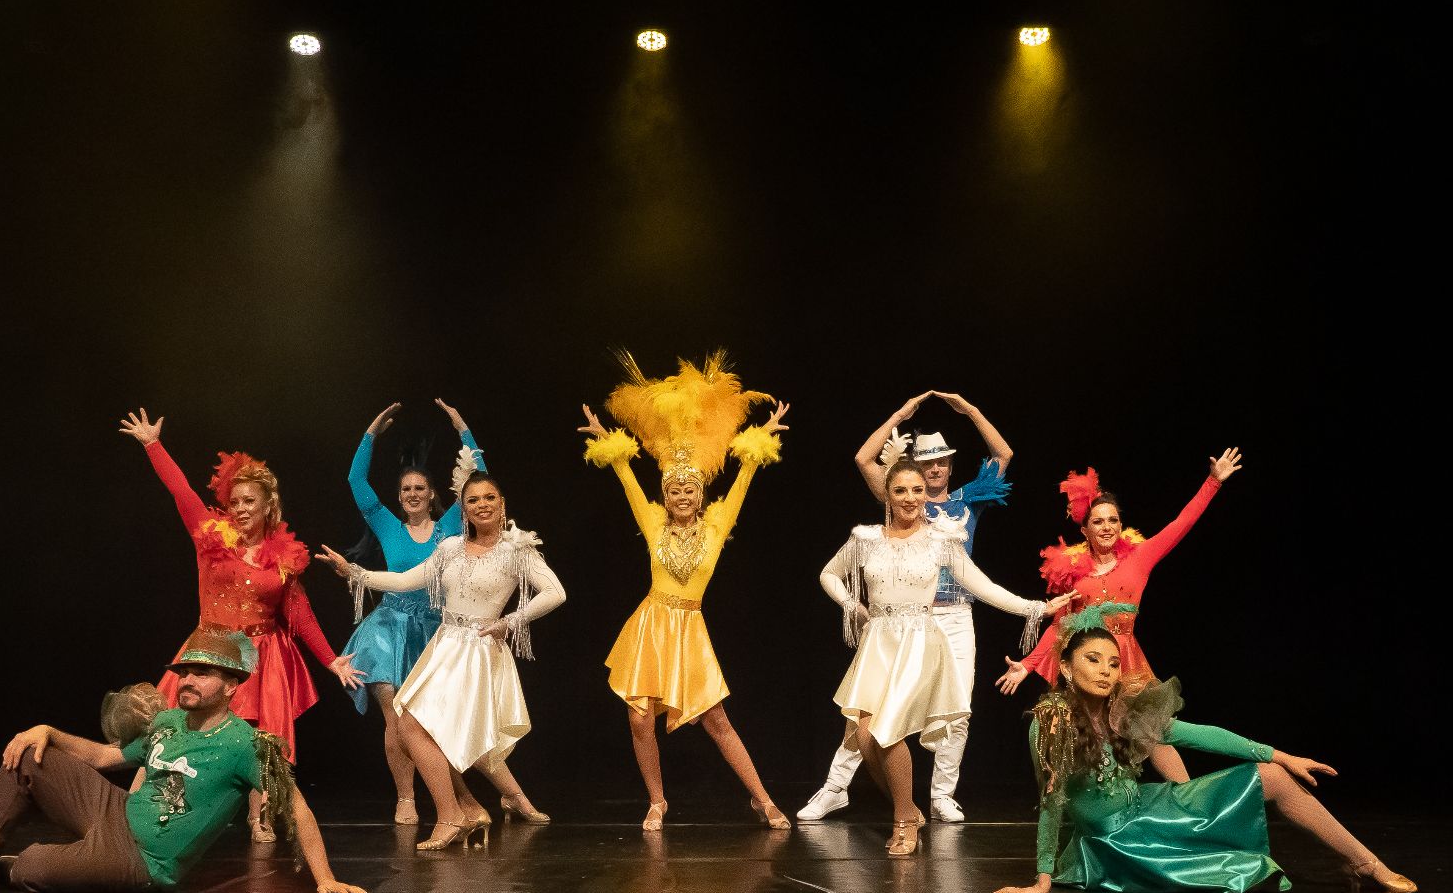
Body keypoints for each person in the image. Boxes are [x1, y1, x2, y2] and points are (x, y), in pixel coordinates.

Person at [0, 630, 368, 893]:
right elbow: (105, 757)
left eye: (201, 673)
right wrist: (48, 731)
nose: (186, 680)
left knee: (32, 869)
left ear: (231, 686)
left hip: (145, 859)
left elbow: (298, 809)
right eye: (184, 672)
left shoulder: (248, 745)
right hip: (116, 811)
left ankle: (12, 868)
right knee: (29, 756)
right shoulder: (167, 721)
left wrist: (324, 878)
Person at [992, 626, 1415, 893]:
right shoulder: (1051, 721)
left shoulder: (1123, 710)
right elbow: (1052, 800)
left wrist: (1280, 754)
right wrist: (1042, 878)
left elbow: (1201, 734)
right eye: (1093, 660)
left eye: (1114, 662)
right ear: (1066, 669)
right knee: (1237, 868)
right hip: (1119, 840)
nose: (1106, 671)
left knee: (1273, 775)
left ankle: (1365, 861)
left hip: (1148, 806)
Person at [119, 408, 359, 839]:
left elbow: (299, 614)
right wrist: (153, 445)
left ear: (268, 505)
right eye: (235, 502)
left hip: (260, 654)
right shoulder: (210, 536)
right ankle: (132, 809)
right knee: (169, 728)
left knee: (259, 741)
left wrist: (331, 660)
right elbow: (181, 492)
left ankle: (259, 816)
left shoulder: (284, 558)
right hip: (209, 648)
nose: (241, 509)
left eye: (250, 501)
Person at [578, 352, 792, 832]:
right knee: (639, 719)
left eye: (689, 490)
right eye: (673, 490)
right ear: (665, 494)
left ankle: (762, 799)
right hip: (650, 626)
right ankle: (657, 801)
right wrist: (607, 440)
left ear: (700, 496)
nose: (680, 496)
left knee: (716, 720)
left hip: (690, 629)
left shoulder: (716, 528)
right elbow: (627, 479)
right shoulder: (653, 523)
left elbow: (743, 481)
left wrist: (761, 437)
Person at [819, 456, 1070, 854]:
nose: (910, 498)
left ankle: (905, 822)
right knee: (865, 738)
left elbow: (983, 586)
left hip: (919, 642)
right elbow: (829, 574)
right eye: (900, 490)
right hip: (878, 643)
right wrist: (852, 604)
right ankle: (908, 808)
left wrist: (1035, 608)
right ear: (887, 494)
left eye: (917, 490)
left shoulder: (941, 540)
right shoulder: (866, 539)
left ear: (926, 494)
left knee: (887, 733)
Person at [319, 470, 565, 851]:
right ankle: (461, 813)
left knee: (419, 727)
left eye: (489, 498)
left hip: (477, 651)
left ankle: (456, 814)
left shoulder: (517, 550)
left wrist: (511, 621)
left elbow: (555, 592)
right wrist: (355, 572)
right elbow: (406, 581)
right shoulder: (450, 548)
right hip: (446, 645)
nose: (482, 505)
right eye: (473, 500)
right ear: (462, 509)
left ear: (502, 504)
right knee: (416, 727)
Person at [800, 390, 1016, 823]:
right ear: (912, 467)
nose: (934, 469)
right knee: (866, 710)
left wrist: (970, 410)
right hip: (902, 620)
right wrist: (900, 413)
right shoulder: (902, 496)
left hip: (954, 614)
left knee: (958, 707)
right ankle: (835, 788)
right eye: (927, 462)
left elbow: (1003, 454)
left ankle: (941, 795)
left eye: (942, 462)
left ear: (950, 466)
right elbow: (864, 459)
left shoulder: (967, 500)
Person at [995, 448, 1242, 783]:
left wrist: (1213, 482)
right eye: (1098, 521)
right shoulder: (1073, 572)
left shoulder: (1140, 557)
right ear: (1085, 530)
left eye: (1113, 520)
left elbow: (1181, 523)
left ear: (1121, 525)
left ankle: (1187, 794)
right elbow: (1060, 626)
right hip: (1088, 660)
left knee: (1153, 734)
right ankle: (1093, 797)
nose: (1107, 527)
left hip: (1127, 659)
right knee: (1087, 732)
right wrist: (1027, 664)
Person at [341, 399, 490, 827]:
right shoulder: (387, 525)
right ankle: (405, 797)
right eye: (406, 489)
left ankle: (455, 798)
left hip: (432, 630)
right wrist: (371, 434)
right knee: (394, 714)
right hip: (387, 628)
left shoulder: (450, 527)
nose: (412, 495)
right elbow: (355, 480)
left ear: (432, 495)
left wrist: (462, 427)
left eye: (419, 489)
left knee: (428, 721)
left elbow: (479, 476)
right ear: (399, 496)